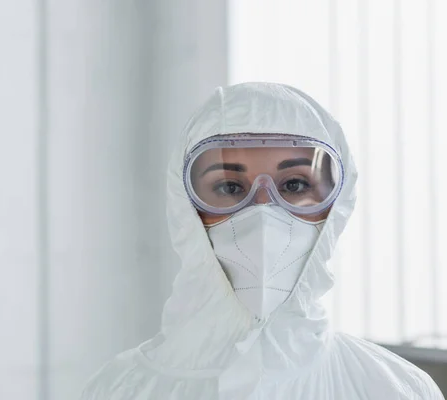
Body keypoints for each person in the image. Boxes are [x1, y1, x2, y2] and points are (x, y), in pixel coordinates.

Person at [80, 82, 444, 399]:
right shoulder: (119, 390)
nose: (264, 212)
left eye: (295, 185)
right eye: (230, 187)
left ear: (336, 208)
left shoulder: (394, 389)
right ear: (184, 207)